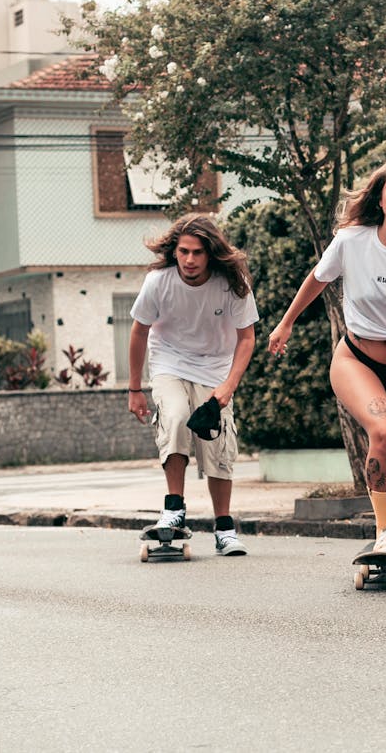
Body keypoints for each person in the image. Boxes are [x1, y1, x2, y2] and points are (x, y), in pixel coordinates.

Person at [268, 153, 386, 555]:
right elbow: (318, 278)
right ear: (380, 196)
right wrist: (286, 322)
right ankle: (384, 532)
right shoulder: (352, 240)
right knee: (384, 431)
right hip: (356, 359)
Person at [128, 214, 259, 556]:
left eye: (197, 252)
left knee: (216, 443)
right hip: (169, 362)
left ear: (210, 254)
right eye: (183, 251)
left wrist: (229, 385)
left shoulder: (232, 282)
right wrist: (134, 389)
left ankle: (224, 528)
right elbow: (139, 331)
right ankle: (173, 510)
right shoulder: (159, 281)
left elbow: (247, 338)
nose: (188, 260)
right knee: (174, 418)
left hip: (215, 367)